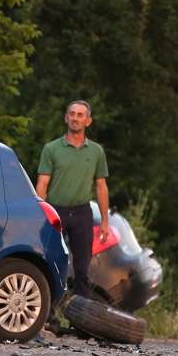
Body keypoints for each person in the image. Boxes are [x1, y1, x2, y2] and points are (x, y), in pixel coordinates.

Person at [35, 100, 110, 299]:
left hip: (82, 213)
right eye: (72, 114)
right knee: (49, 261)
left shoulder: (96, 152)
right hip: (55, 212)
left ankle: (80, 319)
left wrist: (104, 221)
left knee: (82, 269)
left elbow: (101, 186)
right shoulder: (51, 149)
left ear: (88, 121)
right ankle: (47, 315)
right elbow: (42, 183)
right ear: (66, 117)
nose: (75, 118)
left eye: (80, 115)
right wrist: (39, 214)